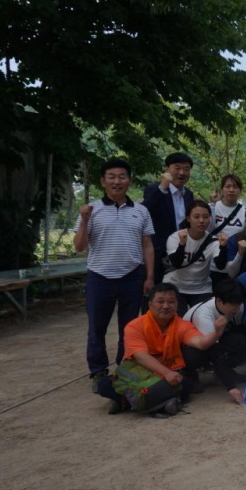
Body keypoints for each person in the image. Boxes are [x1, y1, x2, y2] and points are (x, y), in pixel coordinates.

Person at [74, 157, 155, 390]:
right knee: (96, 327)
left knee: (129, 327)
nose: (117, 181)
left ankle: (125, 366)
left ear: (129, 181)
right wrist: (84, 219)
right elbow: (79, 246)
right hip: (100, 277)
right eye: (111, 177)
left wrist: (149, 276)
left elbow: (147, 245)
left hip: (132, 276)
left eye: (122, 176)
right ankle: (98, 371)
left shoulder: (141, 211)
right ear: (103, 181)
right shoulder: (91, 210)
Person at [97, 283, 222, 415]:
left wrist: (217, 332)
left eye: (171, 302)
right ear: (150, 304)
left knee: (186, 384)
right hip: (140, 373)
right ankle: (162, 403)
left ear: (177, 304)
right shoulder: (134, 326)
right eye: (160, 302)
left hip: (164, 377)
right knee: (104, 384)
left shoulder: (182, 325)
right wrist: (167, 373)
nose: (166, 306)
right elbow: (141, 356)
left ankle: (125, 401)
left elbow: (201, 343)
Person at [183, 279, 246, 405]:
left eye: (239, 304)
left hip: (219, 338)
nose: (237, 308)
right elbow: (214, 351)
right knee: (196, 354)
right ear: (219, 301)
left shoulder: (238, 307)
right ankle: (189, 374)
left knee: (242, 341)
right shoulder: (203, 315)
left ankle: (222, 372)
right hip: (192, 347)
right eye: (233, 304)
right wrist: (231, 387)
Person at [163, 199, 228, 314]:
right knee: (176, 319)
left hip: (201, 288)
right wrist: (182, 245)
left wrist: (223, 247)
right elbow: (176, 263)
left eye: (205, 217)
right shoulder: (175, 237)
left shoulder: (213, 241)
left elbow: (220, 265)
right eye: (196, 217)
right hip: (175, 285)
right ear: (188, 218)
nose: (201, 221)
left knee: (203, 317)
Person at [143, 152, 194, 283]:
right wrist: (162, 188)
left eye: (186, 169)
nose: (182, 173)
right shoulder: (155, 189)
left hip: (182, 249)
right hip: (159, 252)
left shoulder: (188, 194)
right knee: (157, 290)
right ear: (167, 170)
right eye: (177, 168)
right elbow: (144, 212)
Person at [208, 173, 246, 285]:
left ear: (240, 190)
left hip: (235, 262)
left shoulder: (244, 211)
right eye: (228, 186)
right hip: (213, 263)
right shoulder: (213, 208)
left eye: (235, 187)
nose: (231, 190)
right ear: (222, 189)